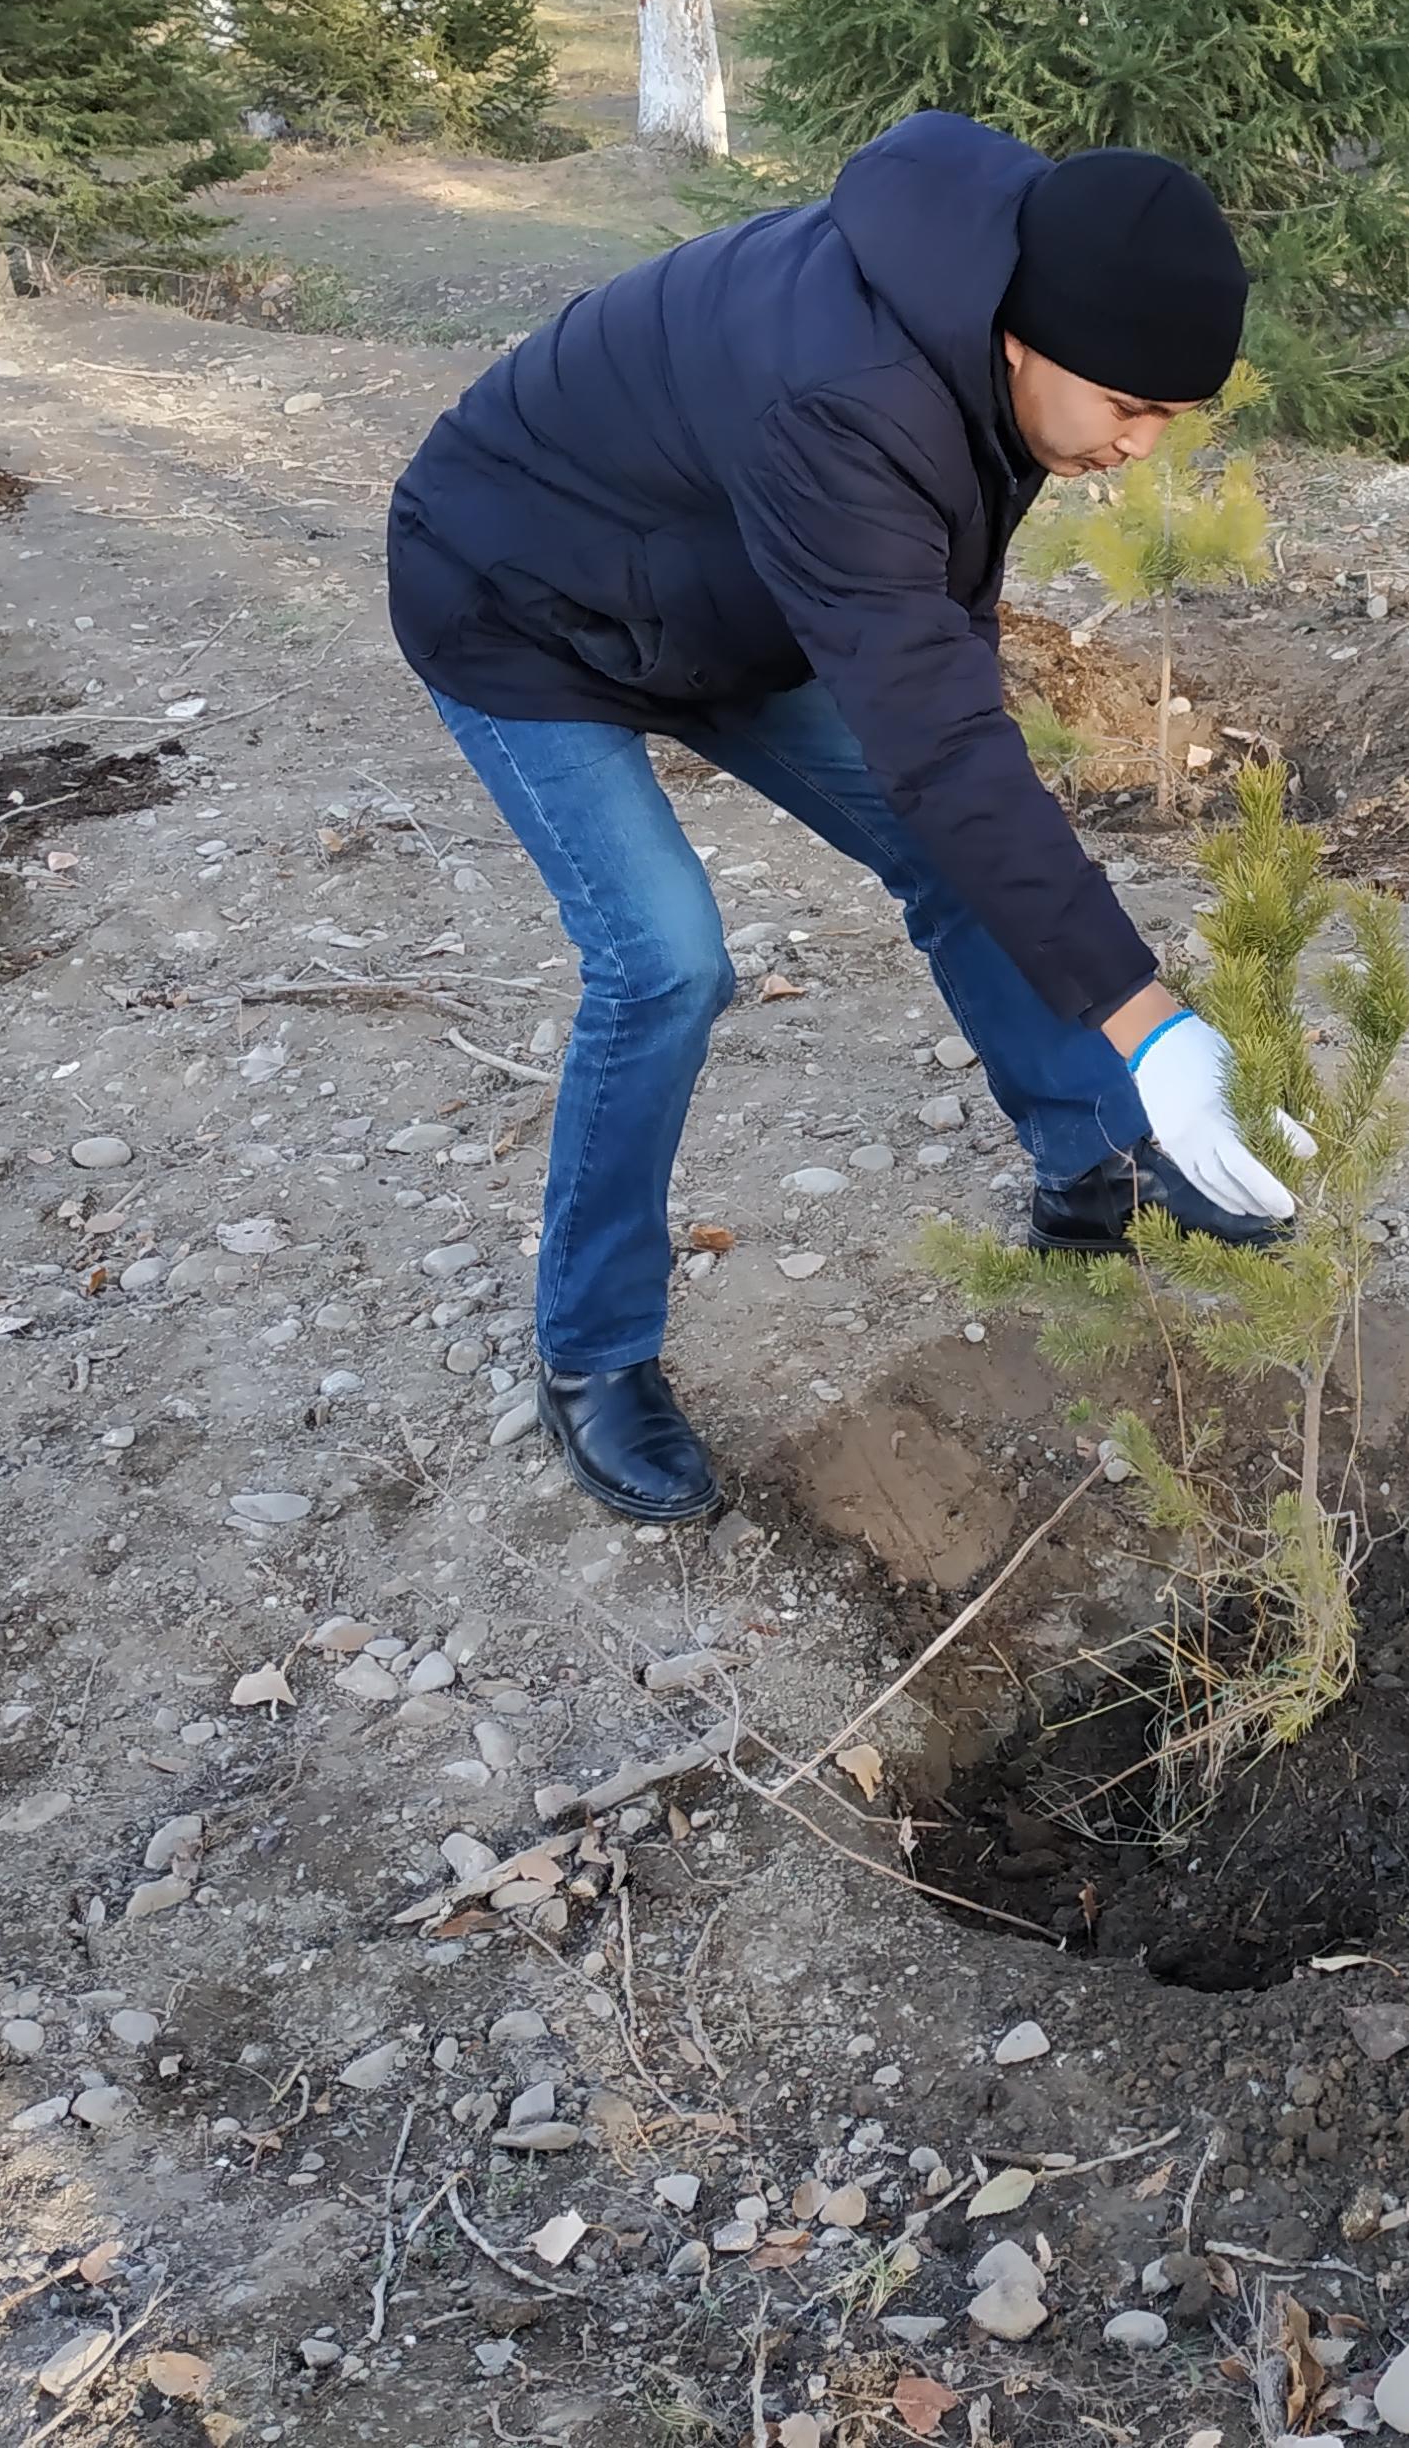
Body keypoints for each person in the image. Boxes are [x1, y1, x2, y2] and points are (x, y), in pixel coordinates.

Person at [386, 113, 1312, 1528]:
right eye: (1133, 408)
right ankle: (591, 1356)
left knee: (960, 842)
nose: (1143, 447)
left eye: (1170, 418)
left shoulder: (1000, 317)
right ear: (1029, 339)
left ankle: (1088, 1162)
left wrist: (1124, 1036)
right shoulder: (853, 389)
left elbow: (941, 633)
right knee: (665, 963)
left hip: (728, 598)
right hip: (517, 600)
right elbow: (942, 742)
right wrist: (1150, 1020)